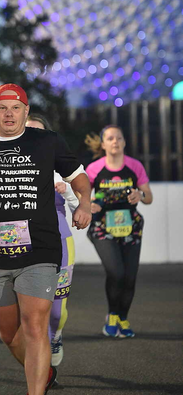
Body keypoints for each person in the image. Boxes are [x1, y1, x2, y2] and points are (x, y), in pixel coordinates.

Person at [0, 84, 91, 395]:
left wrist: (85, 202)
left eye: (15, 108)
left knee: (35, 326)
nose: (9, 113)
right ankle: (45, 372)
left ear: (26, 111)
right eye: (2, 108)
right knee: (8, 334)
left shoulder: (47, 141)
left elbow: (78, 177)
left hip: (40, 250)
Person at [85, 125, 153, 338]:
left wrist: (139, 196)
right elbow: (82, 197)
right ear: (103, 144)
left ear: (124, 142)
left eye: (119, 138)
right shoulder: (93, 169)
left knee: (130, 277)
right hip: (103, 227)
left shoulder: (135, 166)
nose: (115, 141)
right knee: (117, 273)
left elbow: (149, 197)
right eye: (110, 138)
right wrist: (90, 205)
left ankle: (122, 317)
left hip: (130, 226)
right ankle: (112, 316)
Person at [25, 114, 79, 373]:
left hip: (59, 242)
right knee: (31, 313)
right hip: (24, 246)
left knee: (56, 313)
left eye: (39, 132)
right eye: (28, 131)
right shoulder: (5, 166)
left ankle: (55, 337)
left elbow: (80, 207)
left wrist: (66, 190)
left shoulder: (62, 166)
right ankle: (41, 370)